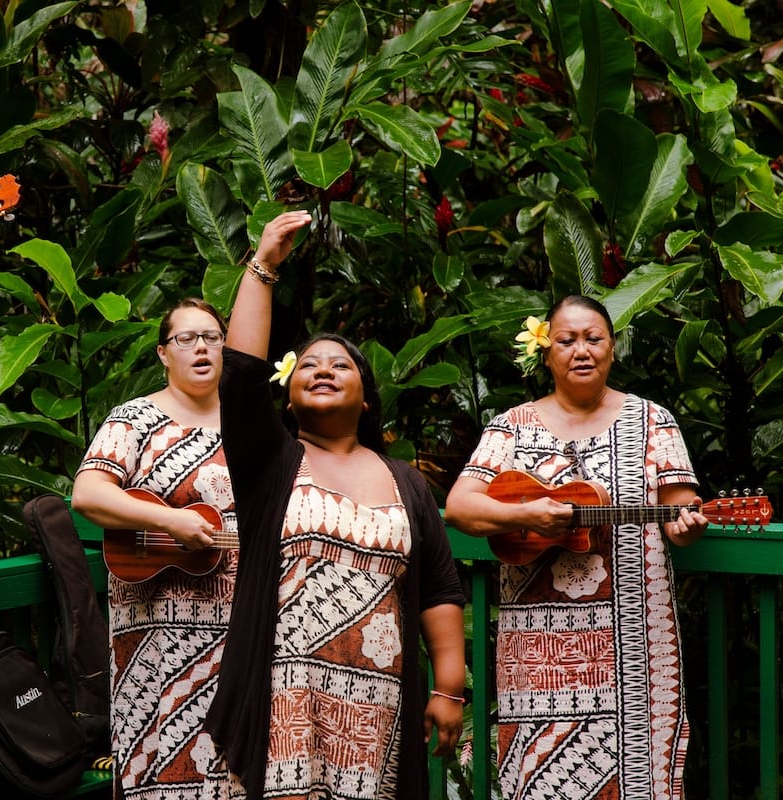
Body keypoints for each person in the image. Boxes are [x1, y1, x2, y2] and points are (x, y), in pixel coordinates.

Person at [203, 210, 467, 800]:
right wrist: (264, 265)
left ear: (368, 400)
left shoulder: (407, 482)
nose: (323, 369)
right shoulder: (271, 464)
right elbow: (242, 374)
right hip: (284, 705)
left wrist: (449, 687)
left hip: (380, 711)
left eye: (341, 364)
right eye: (308, 367)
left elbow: (441, 587)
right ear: (289, 400)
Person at [444, 294, 708, 800]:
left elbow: (680, 507)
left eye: (594, 338)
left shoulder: (654, 421)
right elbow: (460, 506)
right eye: (566, 340)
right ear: (547, 354)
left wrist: (688, 525)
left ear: (613, 348)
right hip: (538, 654)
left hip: (637, 646)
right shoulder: (511, 426)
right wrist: (526, 515)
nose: (580, 350)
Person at [71, 298, 236, 800]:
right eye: (186, 339)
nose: (201, 347)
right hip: (154, 636)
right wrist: (171, 520)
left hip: (236, 627)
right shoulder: (134, 418)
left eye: (211, 337)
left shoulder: (248, 425)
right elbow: (88, 494)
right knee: (160, 768)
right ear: (164, 354)